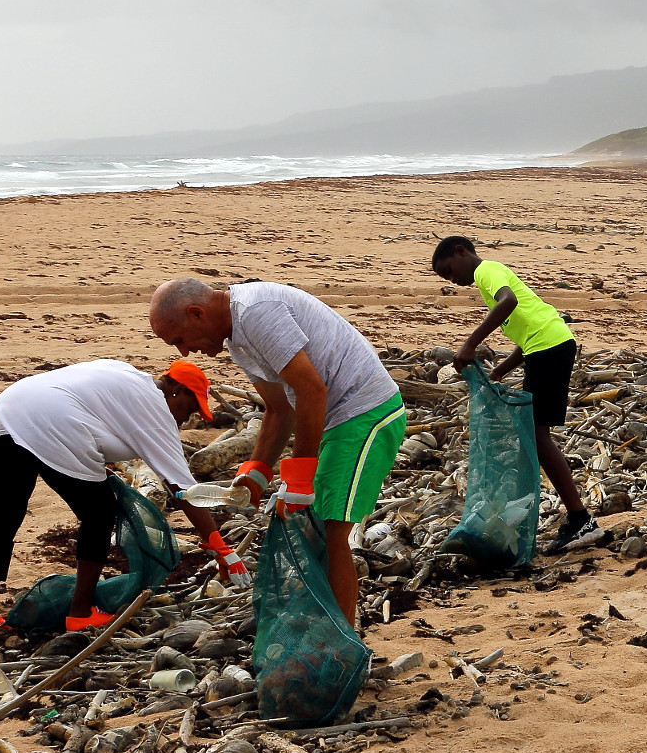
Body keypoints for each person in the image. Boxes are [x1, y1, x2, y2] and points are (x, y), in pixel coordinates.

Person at [149, 278, 405, 628]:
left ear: (196, 313)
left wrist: (298, 481)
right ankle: (325, 628)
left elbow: (312, 391)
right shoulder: (237, 338)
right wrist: (256, 474)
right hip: (337, 421)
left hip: (366, 412)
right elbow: (279, 408)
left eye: (179, 339)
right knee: (314, 529)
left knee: (332, 531)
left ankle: (342, 641)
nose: (184, 352)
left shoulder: (255, 312)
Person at [0, 359, 248, 633]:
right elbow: (184, 490)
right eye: (191, 407)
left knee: (4, 515)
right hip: (56, 419)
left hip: (9, 407)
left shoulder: (126, 374)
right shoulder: (156, 410)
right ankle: (80, 614)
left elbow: (94, 415)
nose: (188, 418)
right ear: (176, 389)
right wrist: (220, 547)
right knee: (100, 513)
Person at [431, 237, 607, 554]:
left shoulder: (488, 270)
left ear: (461, 252)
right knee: (536, 435)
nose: (452, 279)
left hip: (550, 348)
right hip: (547, 346)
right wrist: (501, 370)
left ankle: (581, 519)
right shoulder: (489, 280)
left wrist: (470, 343)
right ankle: (577, 517)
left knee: (537, 436)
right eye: (446, 279)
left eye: (449, 270)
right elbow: (529, 331)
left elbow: (509, 302)